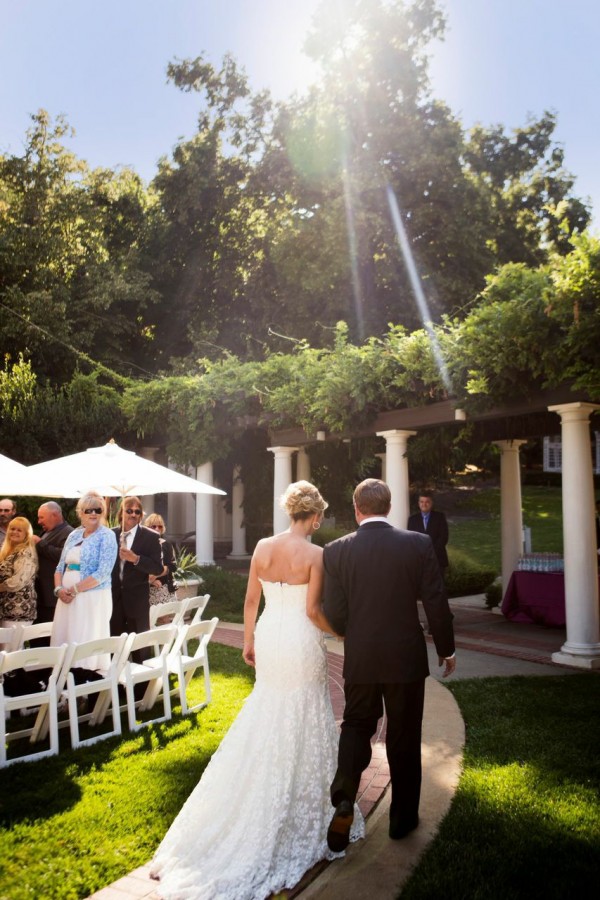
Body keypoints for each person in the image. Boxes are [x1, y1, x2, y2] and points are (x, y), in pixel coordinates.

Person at [150, 480, 364, 900]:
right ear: (316, 516)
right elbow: (313, 610)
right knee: (305, 710)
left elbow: (251, 601)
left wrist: (248, 640)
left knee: (269, 707)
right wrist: (340, 632)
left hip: (269, 636)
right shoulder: (317, 555)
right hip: (301, 640)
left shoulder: (263, 547)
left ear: (289, 511)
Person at [322, 478, 455, 852]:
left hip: (361, 656)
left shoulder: (335, 550)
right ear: (389, 507)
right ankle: (401, 820)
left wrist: (355, 633)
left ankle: (345, 794)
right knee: (404, 735)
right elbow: (435, 600)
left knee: (356, 724)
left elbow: (333, 611)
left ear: (356, 508)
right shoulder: (417, 543)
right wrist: (446, 648)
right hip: (405, 659)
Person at [52, 493, 118, 674]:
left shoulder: (107, 536)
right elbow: (60, 567)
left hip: (92, 598)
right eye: (89, 510)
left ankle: (85, 683)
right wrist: (59, 590)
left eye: (98, 510)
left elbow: (103, 572)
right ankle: (62, 683)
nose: (93, 513)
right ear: (81, 512)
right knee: (66, 637)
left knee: (85, 640)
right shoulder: (73, 535)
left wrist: (74, 590)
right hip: (65, 598)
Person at [110, 496, 163, 639]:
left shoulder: (151, 537)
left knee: (140, 649)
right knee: (113, 647)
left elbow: (157, 568)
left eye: (137, 512)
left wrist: (136, 559)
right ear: (121, 513)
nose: (133, 514)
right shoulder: (110, 535)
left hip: (137, 601)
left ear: (140, 516)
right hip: (112, 600)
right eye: (129, 510)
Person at [32, 501, 73, 633]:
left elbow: (64, 556)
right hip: (40, 597)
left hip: (52, 599)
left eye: (41, 517)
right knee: (36, 637)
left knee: (48, 635)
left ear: (54, 515)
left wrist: (40, 543)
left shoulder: (69, 533)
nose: (38, 521)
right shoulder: (46, 531)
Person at [0, 516, 38, 647]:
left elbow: (18, 581)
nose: (14, 532)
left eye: (19, 530)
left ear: (26, 534)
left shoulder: (25, 552)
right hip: (6, 609)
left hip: (18, 610)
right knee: (4, 649)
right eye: (12, 529)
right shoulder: (8, 550)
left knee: (11, 652)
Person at [407, 490, 449, 577]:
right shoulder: (412, 519)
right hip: (420, 560)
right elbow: (411, 539)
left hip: (437, 559)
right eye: (421, 502)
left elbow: (443, 538)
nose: (424, 504)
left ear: (431, 503)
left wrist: (430, 552)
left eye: (427, 502)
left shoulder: (440, 517)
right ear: (418, 503)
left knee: (439, 587)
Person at [144, 513, 177, 605]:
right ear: (147, 527)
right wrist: (151, 580)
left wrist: (155, 575)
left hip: (164, 587)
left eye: (160, 526)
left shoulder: (167, 545)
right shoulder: (142, 545)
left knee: (164, 618)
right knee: (148, 618)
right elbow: (137, 565)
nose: (157, 529)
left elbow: (173, 566)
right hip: (145, 589)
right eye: (153, 526)